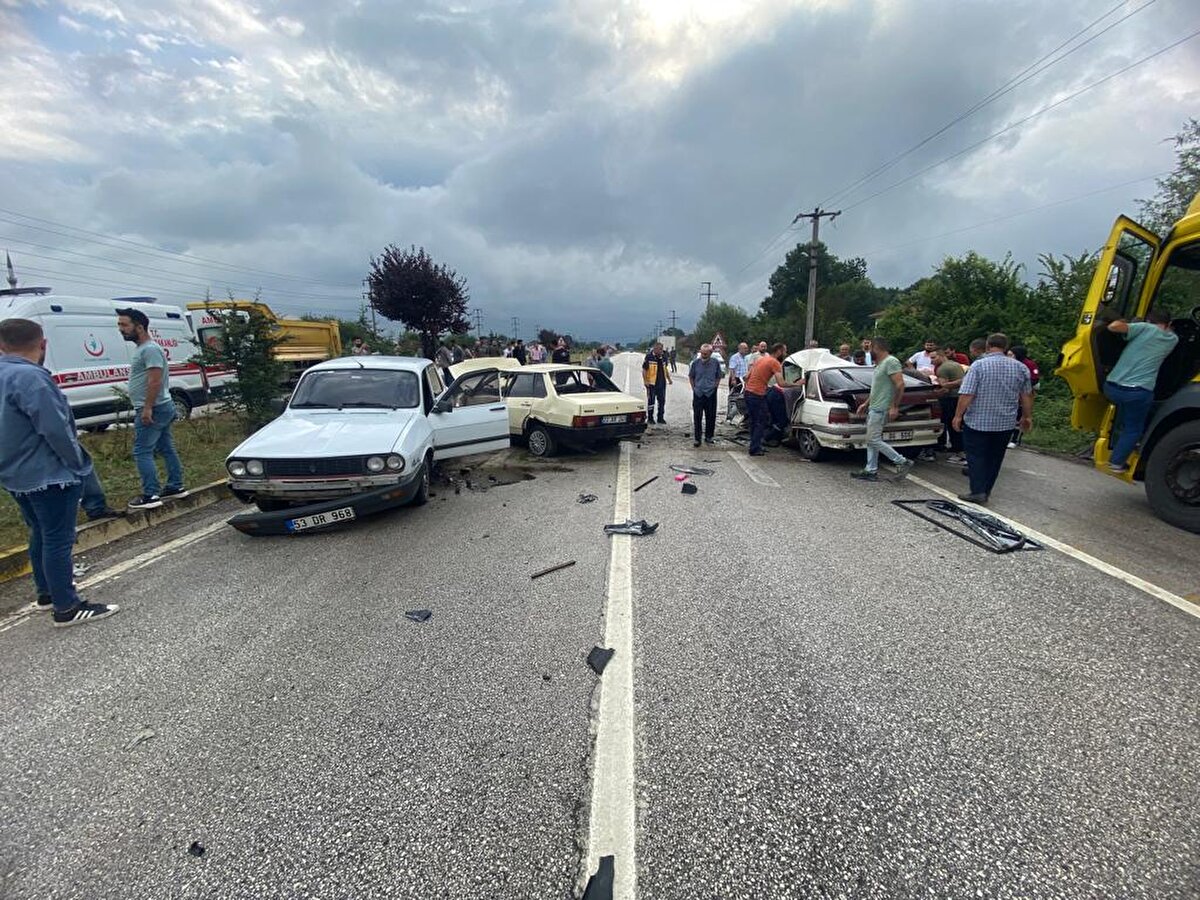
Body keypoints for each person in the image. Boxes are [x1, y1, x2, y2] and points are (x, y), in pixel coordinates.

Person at [0, 319, 120, 626]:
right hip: (49, 473)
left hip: (14, 474)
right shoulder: (32, 378)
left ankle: (47, 594)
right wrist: (78, 464)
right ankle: (67, 606)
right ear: (43, 344)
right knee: (57, 538)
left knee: (39, 532)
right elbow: (55, 428)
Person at [117, 308, 187, 511]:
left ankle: (151, 494)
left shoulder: (149, 349)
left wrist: (147, 408)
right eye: (119, 325)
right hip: (159, 406)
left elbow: (154, 380)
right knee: (165, 447)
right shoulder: (144, 349)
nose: (121, 330)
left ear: (139, 327)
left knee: (142, 451)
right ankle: (175, 486)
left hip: (154, 407)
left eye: (125, 325)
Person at [952, 333, 1033, 504]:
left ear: (988, 346)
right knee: (995, 458)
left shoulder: (979, 366)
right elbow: (1026, 395)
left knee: (975, 456)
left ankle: (977, 491)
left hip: (978, 421)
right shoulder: (1020, 368)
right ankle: (986, 490)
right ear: (1006, 347)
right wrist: (1027, 416)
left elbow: (967, 393)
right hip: (1005, 423)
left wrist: (958, 415)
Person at [1102, 310, 1178, 473]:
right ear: (1168, 324)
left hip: (1112, 387)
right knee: (1134, 428)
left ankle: (1113, 440)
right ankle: (1116, 463)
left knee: (1125, 411)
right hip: (1138, 393)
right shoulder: (1173, 339)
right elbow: (1167, 330)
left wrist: (1130, 322)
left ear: (1148, 320)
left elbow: (1113, 327)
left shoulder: (1143, 327)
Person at [850, 337, 915, 482]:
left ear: (876, 348)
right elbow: (876, 389)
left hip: (882, 408)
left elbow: (900, 385)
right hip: (875, 407)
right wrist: (865, 404)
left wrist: (894, 406)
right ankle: (870, 470)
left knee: (872, 439)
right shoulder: (879, 365)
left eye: (871, 348)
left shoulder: (891, 362)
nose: (869, 351)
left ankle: (901, 461)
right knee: (873, 439)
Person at [743, 343, 788, 456]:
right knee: (760, 422)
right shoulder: (775, 363)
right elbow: (781, 383)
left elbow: (747, 376)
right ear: (779, 351)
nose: (785, 354)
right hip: (757, 394)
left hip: (748, 392)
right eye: (784, 351)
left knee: (754, 421)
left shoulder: (760, 359)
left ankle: (755, 445)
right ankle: (755, 448)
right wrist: (798, 383)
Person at [930, 347, 965, 461]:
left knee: (946, 423)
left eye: (933, 358)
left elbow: (945, 389)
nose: (932, 361)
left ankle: (952, 448)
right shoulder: (956, 365)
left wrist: (934, 394)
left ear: (940, 356)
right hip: (960, 397)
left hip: (949, 399)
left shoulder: (942, 369)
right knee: (956, 424)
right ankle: (958, 448)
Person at [688, 343, 722, 447]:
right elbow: (691, 377)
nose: (704, 355)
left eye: (706, 354)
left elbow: (718, 376)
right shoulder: (695, 363)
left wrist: (715, 387)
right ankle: (697, 438)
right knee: (697, 416)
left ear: (711, 353)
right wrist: (694, 388)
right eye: (702, 353)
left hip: (710, 393)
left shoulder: (715, 363)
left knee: (711, 416)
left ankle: (709, 436)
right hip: (698, 393)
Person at [1007, 345, 1041, 448]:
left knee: (1021, 415)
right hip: (1010, 393)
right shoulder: (1008, 363)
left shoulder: (1029, 364)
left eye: (1011, 354)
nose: (1009, 356)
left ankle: (1015, 439)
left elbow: (1035, 379)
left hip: (1024, 393)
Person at [642, 342, 672, 423]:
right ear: (655, 349)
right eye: (660, 349)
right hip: (652, 383)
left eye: (662, 349)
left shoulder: (664, 357)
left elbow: (665, 368)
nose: (662, 351)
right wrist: (645, 381)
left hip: (662, 383)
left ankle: (660, 418)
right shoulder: (649, 357)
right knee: (651, 401)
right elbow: (644, 370)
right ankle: (650, 418)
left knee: (662, 401)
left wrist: (669, 379)